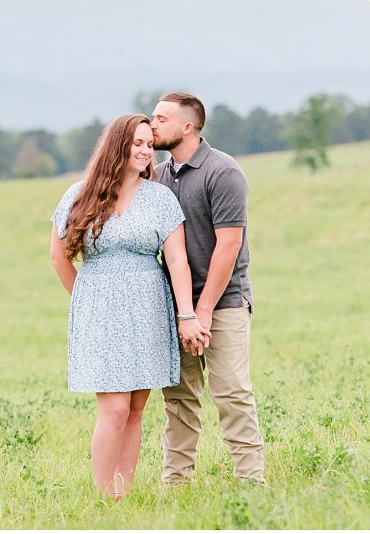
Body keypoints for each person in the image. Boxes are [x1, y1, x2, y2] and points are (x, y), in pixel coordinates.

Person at [50, 114, 209, 499]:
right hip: (101, 316)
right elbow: (59, 257)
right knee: (115, 409)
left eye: (147, 144)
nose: (144, 150)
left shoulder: (159, 198)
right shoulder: (79, 193)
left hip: (148, 311)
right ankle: (105, 496)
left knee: (136, 409)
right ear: (117, 146)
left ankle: (124, 493)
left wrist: (185, 313)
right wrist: (87, 303)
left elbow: (176, 261)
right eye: (136, 143)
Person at [150, 92, 267, 486]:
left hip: (224, 303)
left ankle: (251, 482)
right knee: (178, 399)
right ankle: (177, 485)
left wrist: (202, 311)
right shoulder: (159, 178)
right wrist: (184, 312)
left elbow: (229, 245)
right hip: (176, 307)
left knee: (232, 392)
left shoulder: (223, 172)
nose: (152, 125)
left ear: (187, 126)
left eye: (161, 119)